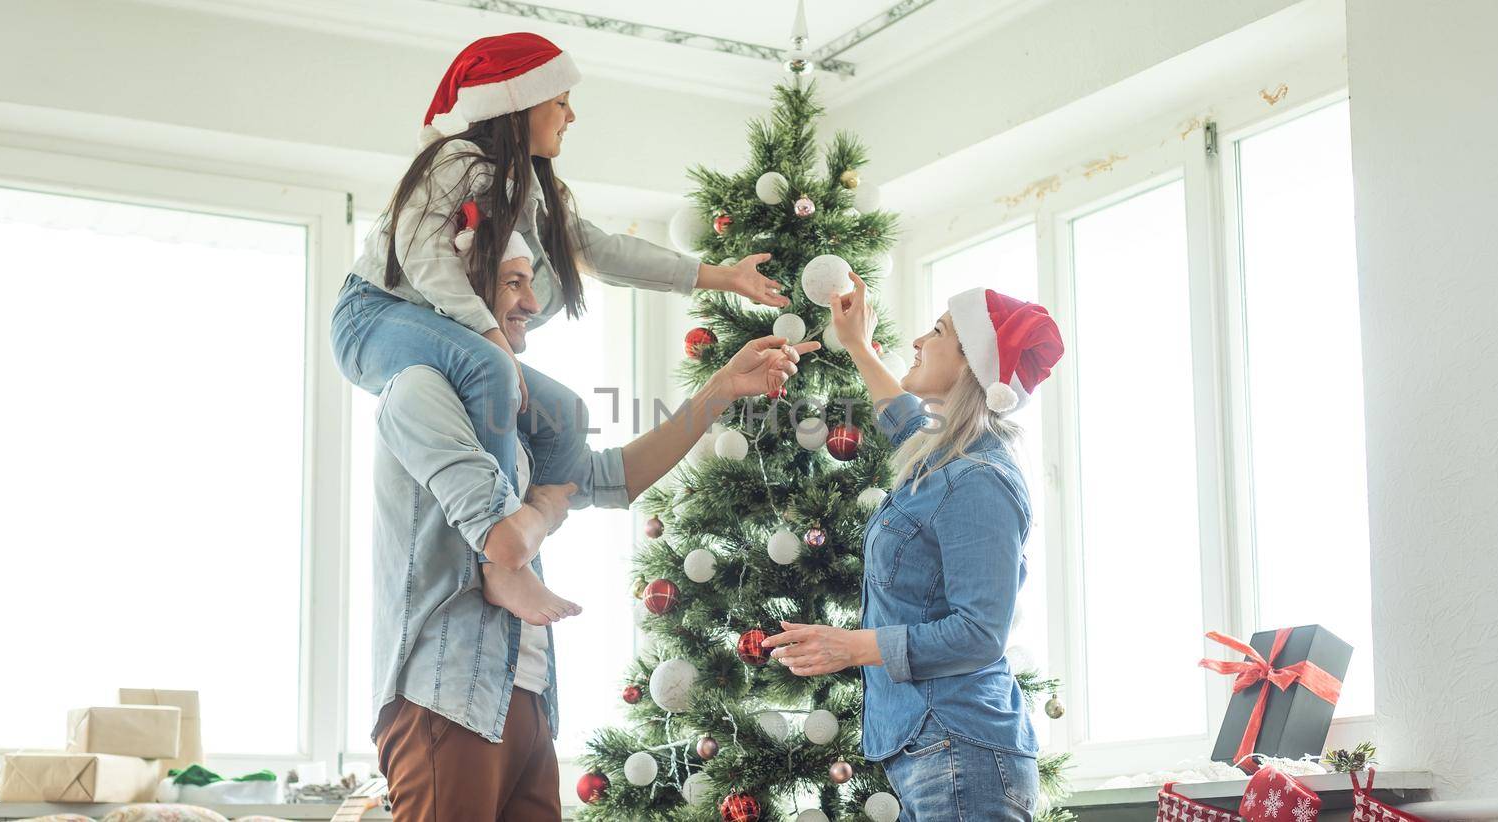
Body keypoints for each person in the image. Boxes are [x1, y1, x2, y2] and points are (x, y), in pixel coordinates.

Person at [330, 31, 787, 625]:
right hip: (376, 315)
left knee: (564, 412)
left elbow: (601, 250)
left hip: (443, 332)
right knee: (493, 365)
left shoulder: (538, 192)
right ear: (519, 105)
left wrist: (720, 277)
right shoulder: (457, 162)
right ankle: (503, 566)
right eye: (560, 101)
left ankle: (515, 544)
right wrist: (489, 334)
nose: (572, 116)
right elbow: (423, 255)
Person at [368, 238, 819, 821]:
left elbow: (610, 478)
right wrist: (546, 511)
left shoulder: (508, 408)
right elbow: (507, 541)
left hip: (527, 695)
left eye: (531, 282)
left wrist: (721, 391)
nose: (532, 302)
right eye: (512, 283)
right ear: (461, 293)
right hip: (446, 698)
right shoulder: (418, 390)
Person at [763, 273, 1065, 822]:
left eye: (938, 330)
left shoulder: (978, 480)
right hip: (934, 750)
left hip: (962, 751)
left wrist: (852, 647)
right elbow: (902, 418)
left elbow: (980, 633)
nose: (919, 341)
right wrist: (856, 341)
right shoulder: (943, 460)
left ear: (974, 363)